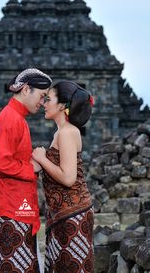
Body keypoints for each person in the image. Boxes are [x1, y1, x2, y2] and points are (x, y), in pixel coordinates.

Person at [0, 68, 52, 273]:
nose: (43, 102)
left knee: (14, 261)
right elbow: (1, 163)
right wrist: (33, 166)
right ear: (26, 89)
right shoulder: (11, 119)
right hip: (8, 204)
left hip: (13, 201)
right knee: (12, 264)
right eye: (42, 96)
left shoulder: (16, 117)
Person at [32, 80, 94, 273]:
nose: (43, 103)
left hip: (72, 215)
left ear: (62, 105)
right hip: (63, 215)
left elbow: (68, 178)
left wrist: (42, 158)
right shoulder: (61, 132)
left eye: (48, 99)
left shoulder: (67, 132)